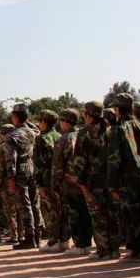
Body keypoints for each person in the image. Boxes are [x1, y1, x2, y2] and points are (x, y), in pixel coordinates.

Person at [72, 101, 122, 259]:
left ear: (88, 115)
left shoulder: (85, 133)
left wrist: (80, 182)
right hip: (111, 180)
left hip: (93, 182)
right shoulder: (111, 130)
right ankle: (114, 249)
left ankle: (103, 250)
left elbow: (79, 161)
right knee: (112, 215)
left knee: (98, 216)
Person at [110, 93, 140, 262]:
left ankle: (137, 251)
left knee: (131, 216)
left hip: (127, 180)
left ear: (117, 108)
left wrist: (112, 184)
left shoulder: (118, 129)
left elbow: (115, 159)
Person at [53, 109, 92, 255]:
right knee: (85, 213)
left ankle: (80, 244)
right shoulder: (83, 134)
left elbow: (58, 165)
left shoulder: (63, 139)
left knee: (74, 214)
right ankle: (87, 243)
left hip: (69, 183)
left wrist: (55, 184)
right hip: (83, 181)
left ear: (65, 122)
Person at [6, 104, 41, 250]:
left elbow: (11, 159)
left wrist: (11, 178)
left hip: (19, 172)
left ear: (15, 117)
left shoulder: (12, 136)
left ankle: (29, 238)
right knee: (34, 203)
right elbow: (37, 130)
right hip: (31, 169)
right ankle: (37, 236)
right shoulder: (33, 132)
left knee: (24, 205)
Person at [34, 111, 63, 252]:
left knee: (48, 210)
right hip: (58, 179)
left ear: (44, 122)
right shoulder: (59, 136)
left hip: (46, 179)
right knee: (60, 209)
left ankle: (53, 240)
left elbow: (39, 164)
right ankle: (63, 240)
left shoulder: (41, 139)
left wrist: (39, 184)